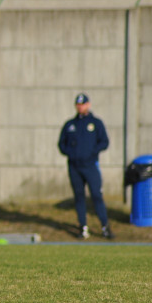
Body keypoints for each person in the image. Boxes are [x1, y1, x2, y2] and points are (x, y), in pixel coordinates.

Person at [58, 92, 112, 239]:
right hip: (74, 167)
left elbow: (104, 142)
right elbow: (61, 145)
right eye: (78, 104)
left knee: (96, 195)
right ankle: (83, 227)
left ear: (88, 105)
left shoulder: (95, 123)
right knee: (79, 197)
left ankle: (105, 226)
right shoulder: (70, 125)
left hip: (90, 166)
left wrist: (92, 152)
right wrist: (72, 153)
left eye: (83, 104)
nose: (80, 107)